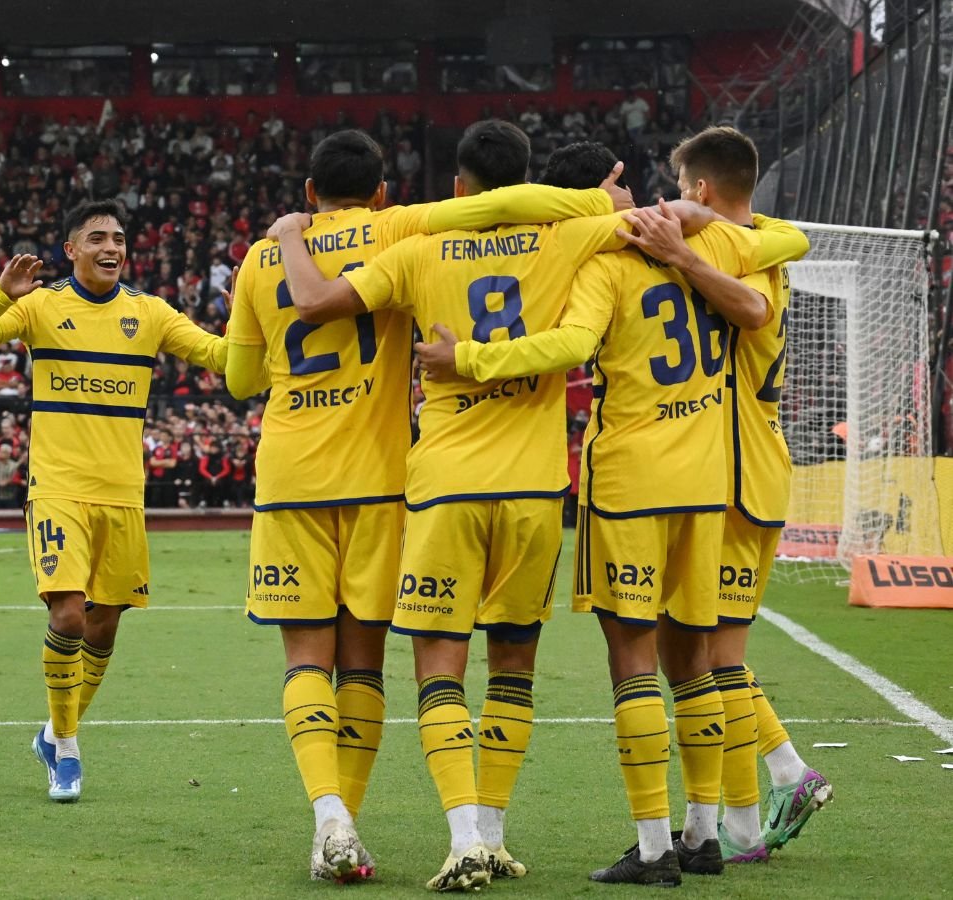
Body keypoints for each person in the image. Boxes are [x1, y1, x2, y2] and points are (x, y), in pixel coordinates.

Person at [227, 125, 628, 885]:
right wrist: (594, 198)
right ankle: (482, 832)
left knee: (311, 659)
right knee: (379, 666)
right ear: (385, 192)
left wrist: (284, 240)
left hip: (301, 478)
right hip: (402, 479)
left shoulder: (270, 257)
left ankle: (332, 823)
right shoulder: (406, 226)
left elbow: (242, 379)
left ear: (310, 193)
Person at [417, 140, 807, 886]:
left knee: (632, 661)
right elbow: (761, 297)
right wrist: (688, 245)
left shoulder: (597, 261)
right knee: (693, 660)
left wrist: (464, 357)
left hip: (629, 478)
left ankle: (657, 849)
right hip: (708, 481)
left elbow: (568, 344)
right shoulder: (713, 236)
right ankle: (707, 833)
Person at [0, 199, 230, 803]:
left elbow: (219, 356)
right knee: (68, 615)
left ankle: (52, 732)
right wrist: (1, 293)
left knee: (103, 627)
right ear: (71, 250)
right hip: (58, 489)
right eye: (97, 237)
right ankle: (68, 750)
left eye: (119, 238)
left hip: (124, 496)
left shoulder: (149, 313)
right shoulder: (41, 305)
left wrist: (267, 325)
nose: (111, 247)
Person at [661, 128, 834, 862]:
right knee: (705, 654)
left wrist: (677, 252)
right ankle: (740, 829)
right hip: (754, 463)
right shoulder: (762, 239)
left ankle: (787, 770)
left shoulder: (738, 255)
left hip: (734, 474)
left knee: (715, 657)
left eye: (679, 188)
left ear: (700, 190)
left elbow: (753, 312)